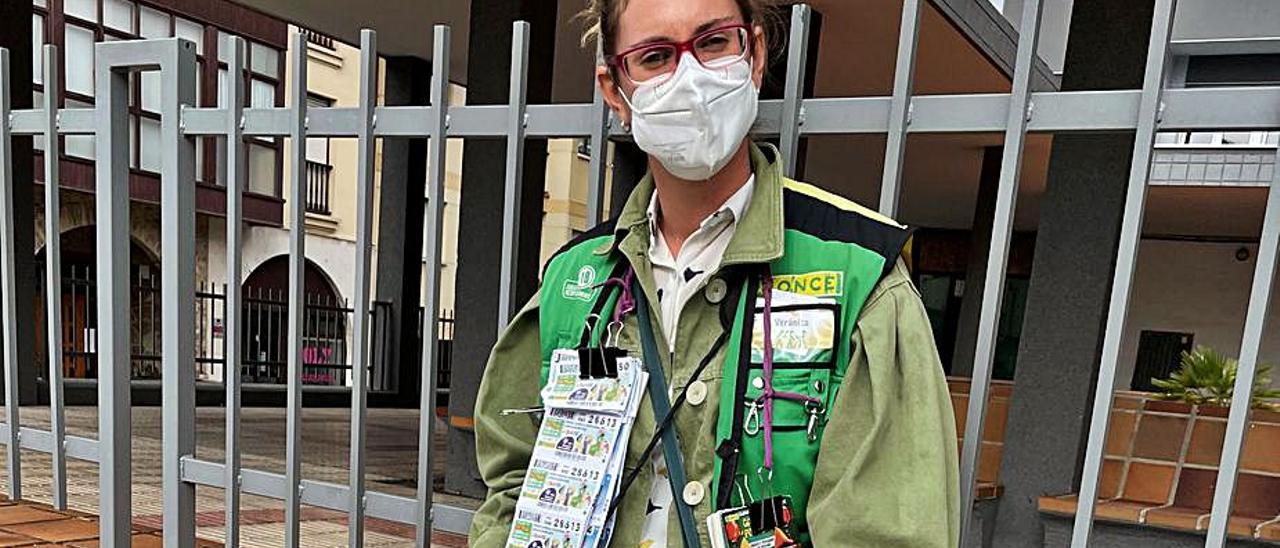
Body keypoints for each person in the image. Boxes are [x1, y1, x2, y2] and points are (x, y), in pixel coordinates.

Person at [469, 0, 959, 546]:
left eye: (713, 43)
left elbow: (888, 532)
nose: (690, 79)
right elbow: (515, 487)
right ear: (615, 91)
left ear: (754, 53)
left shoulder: (860, 277)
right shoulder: (574, 281)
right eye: (655, 56)